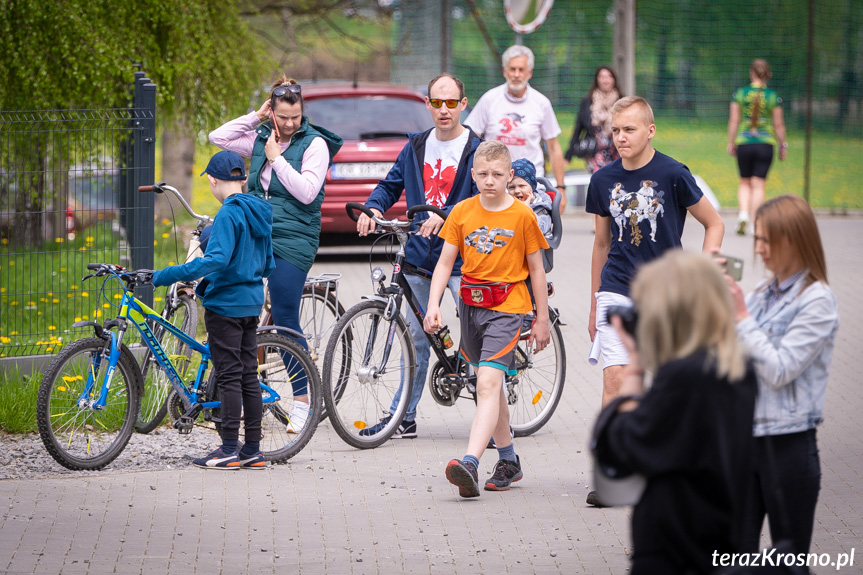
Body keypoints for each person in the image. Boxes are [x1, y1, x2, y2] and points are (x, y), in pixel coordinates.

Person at [585, 96, 725, 506]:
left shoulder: (672, 174)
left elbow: (714, 224)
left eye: (629, 129)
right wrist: (595, 302)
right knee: (616, 379)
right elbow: (600, 243)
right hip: (616, 288)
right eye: (616, 130)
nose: (621, 137)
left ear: (650, 131)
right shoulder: (602, 180)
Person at [593, 250, 757, 574]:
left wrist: (636, 364)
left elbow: (617, 444)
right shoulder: (735, 365)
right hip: (722, 531)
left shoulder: (685, 377)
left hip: (678, 545)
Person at [209, 76, 342, 434]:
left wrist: (277, 160)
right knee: (239, 304)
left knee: (284, 314)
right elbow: (218, 139)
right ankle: (235, 392)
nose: (288, 123)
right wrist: (255, 117)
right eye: (281, 116)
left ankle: (303, 399)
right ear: (272, 112)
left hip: (295, 235)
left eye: (295, 116)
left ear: (302, 113)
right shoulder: (261, 135)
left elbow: (307, 191)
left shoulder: (314, 144)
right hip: (259, 231)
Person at [356, 73, 481, 439]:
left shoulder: (476, 149)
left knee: (477, 333)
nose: (444, 110)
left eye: (451, 102)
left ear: (463, 103)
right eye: (436, 102)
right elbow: (389, 184)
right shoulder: (415, 146)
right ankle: (402, 418)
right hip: (419, 257)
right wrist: (372, 209)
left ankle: (492, 417)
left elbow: (481, 200)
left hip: (464, 260)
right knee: (414, 337)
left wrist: (446, 216)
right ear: (427, 104)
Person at [424, 140, 550, 498]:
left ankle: (470, 463)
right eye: (483, 174)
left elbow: (537, 269)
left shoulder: (523, 216)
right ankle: (508, 460)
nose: (490, 180)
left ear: (510, 176)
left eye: (498, 174)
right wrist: (434, 305)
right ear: (473, 174)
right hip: (471, 307)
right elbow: (446, 263)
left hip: (508, 307)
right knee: (488, 388)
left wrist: (541, 319)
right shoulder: (462, 212)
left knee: (488, 387)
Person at [726, 194, 839, 555]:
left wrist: (741, 317)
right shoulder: (761, 294)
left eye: (766, 240)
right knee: (733, 557)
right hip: (745, 442)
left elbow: (779, 369)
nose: (759, 249)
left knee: (789, 561)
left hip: (788, 445)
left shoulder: (817, 300)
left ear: (794, 239)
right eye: (756, 239)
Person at [152, 151, 276, 469]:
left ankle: (228, 449)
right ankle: (252, 450)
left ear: (212, 180)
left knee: (230, 376)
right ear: (243, 179)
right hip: (251, 303)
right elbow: (268, 263)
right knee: (248, 375)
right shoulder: (260, 212)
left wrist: (168, 274)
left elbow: (217, 260)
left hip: (226, 306)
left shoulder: (227, 215)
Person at [465, 45, 568, 211]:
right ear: (504, 71)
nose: (517, 74)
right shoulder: (490, 99)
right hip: (496, 183)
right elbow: (469, 140)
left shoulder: (541, 103)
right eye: (512, 69)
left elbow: (554, 147)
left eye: (521, 69)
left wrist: (561, 187)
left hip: (530, 184)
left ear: (530, 72)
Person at [727, 58, 787, 236]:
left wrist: (731, 142)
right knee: (758, 184)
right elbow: (779, 125)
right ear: (768, 75)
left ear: (751, 73)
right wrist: (783, 145)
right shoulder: (773, 97)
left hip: (744, 144)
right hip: (765, 144)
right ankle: (754, 222)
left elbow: (734, 120)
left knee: (744, 182)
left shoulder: (739, 94)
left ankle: (743, 214)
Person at [566, 66, 622, 173]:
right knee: (599, 179)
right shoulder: (588, 101)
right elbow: (578, 128)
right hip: (595, 151)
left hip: (616, 150)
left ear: (614, 79)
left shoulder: (622, 101)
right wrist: (569, 154)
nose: (605, 80)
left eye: (609, 77)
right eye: (602, 77)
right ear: (597, 79)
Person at [508, 158, 552, 239]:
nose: (517, 191)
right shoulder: (506, 203)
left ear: (532, 187)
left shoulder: (540, 205)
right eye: (511, 187)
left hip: (535, 245)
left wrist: (525, 209)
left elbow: (541, 229)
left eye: (522, 186)